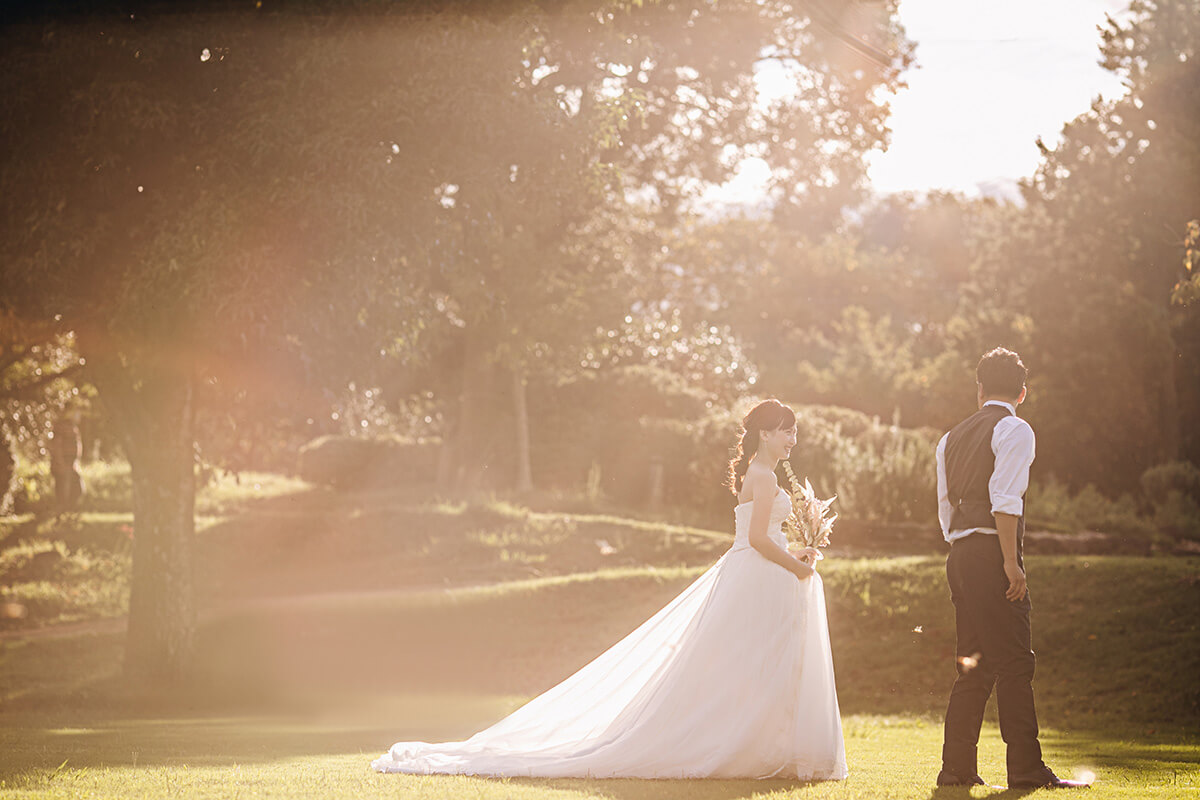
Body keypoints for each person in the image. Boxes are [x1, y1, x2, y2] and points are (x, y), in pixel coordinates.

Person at [373, 398, 848, 780]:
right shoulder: (762, 476)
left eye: (794, 431)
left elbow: (762, 536)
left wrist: (798, 555)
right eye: (787, 430)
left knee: (750, 663)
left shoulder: (761, 474)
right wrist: (796, 566)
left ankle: (761, 742)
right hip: (757, 574)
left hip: (759, 574)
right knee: (739, 663)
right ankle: (736, 743)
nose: (793, 439)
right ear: (766, 433)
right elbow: (760, 538)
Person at [935, 348, 1085, 789]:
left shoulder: (950, 437)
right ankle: (1025, 769)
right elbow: (1006, 499)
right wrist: (1008, 562)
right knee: (1017, 662)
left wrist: (964, 549)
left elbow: (946, 509)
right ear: (1023, 391)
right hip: (990, 554)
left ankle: (956, 769)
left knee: (974, 666)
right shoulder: (1014, 427)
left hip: (960, 556)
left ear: (979, 389)